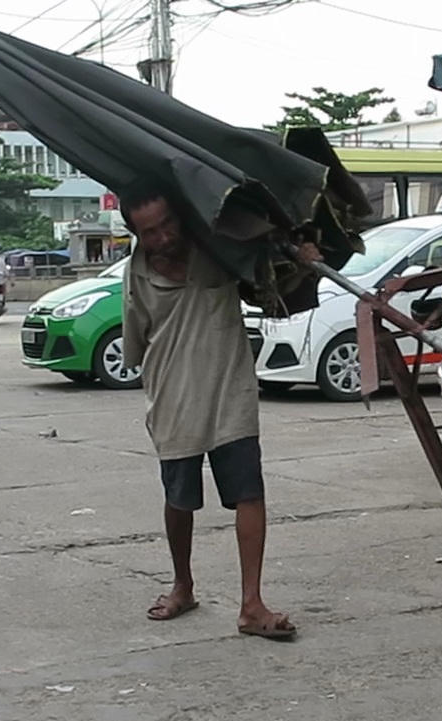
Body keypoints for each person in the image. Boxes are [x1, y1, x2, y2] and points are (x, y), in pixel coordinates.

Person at [120, 183, 319, 640]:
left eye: (168, 224)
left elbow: (268, 283)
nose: (164, 237)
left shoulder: (218, 247)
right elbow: (137, 345)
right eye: (150, 232)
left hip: (230, 392)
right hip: (173, 399)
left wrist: (302, 258)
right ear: (136, 236)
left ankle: (252, 605)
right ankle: (183, 586)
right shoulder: (136, 276)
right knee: (179, 499)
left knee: (249, 493)